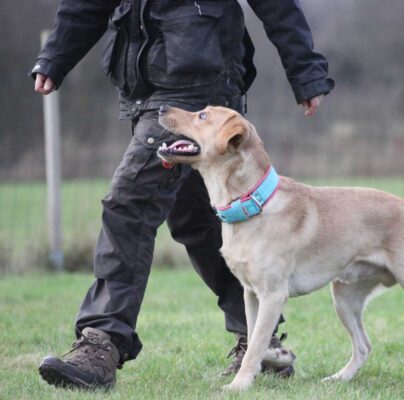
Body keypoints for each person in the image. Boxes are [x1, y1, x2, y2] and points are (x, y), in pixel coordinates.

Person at [31, 0, 334, 390]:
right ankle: (260, 340)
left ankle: (101, 343)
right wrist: (56, 54)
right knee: (197, 221)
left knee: (130, 204)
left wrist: (305, 70)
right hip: (145, 88)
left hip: (202, 86)